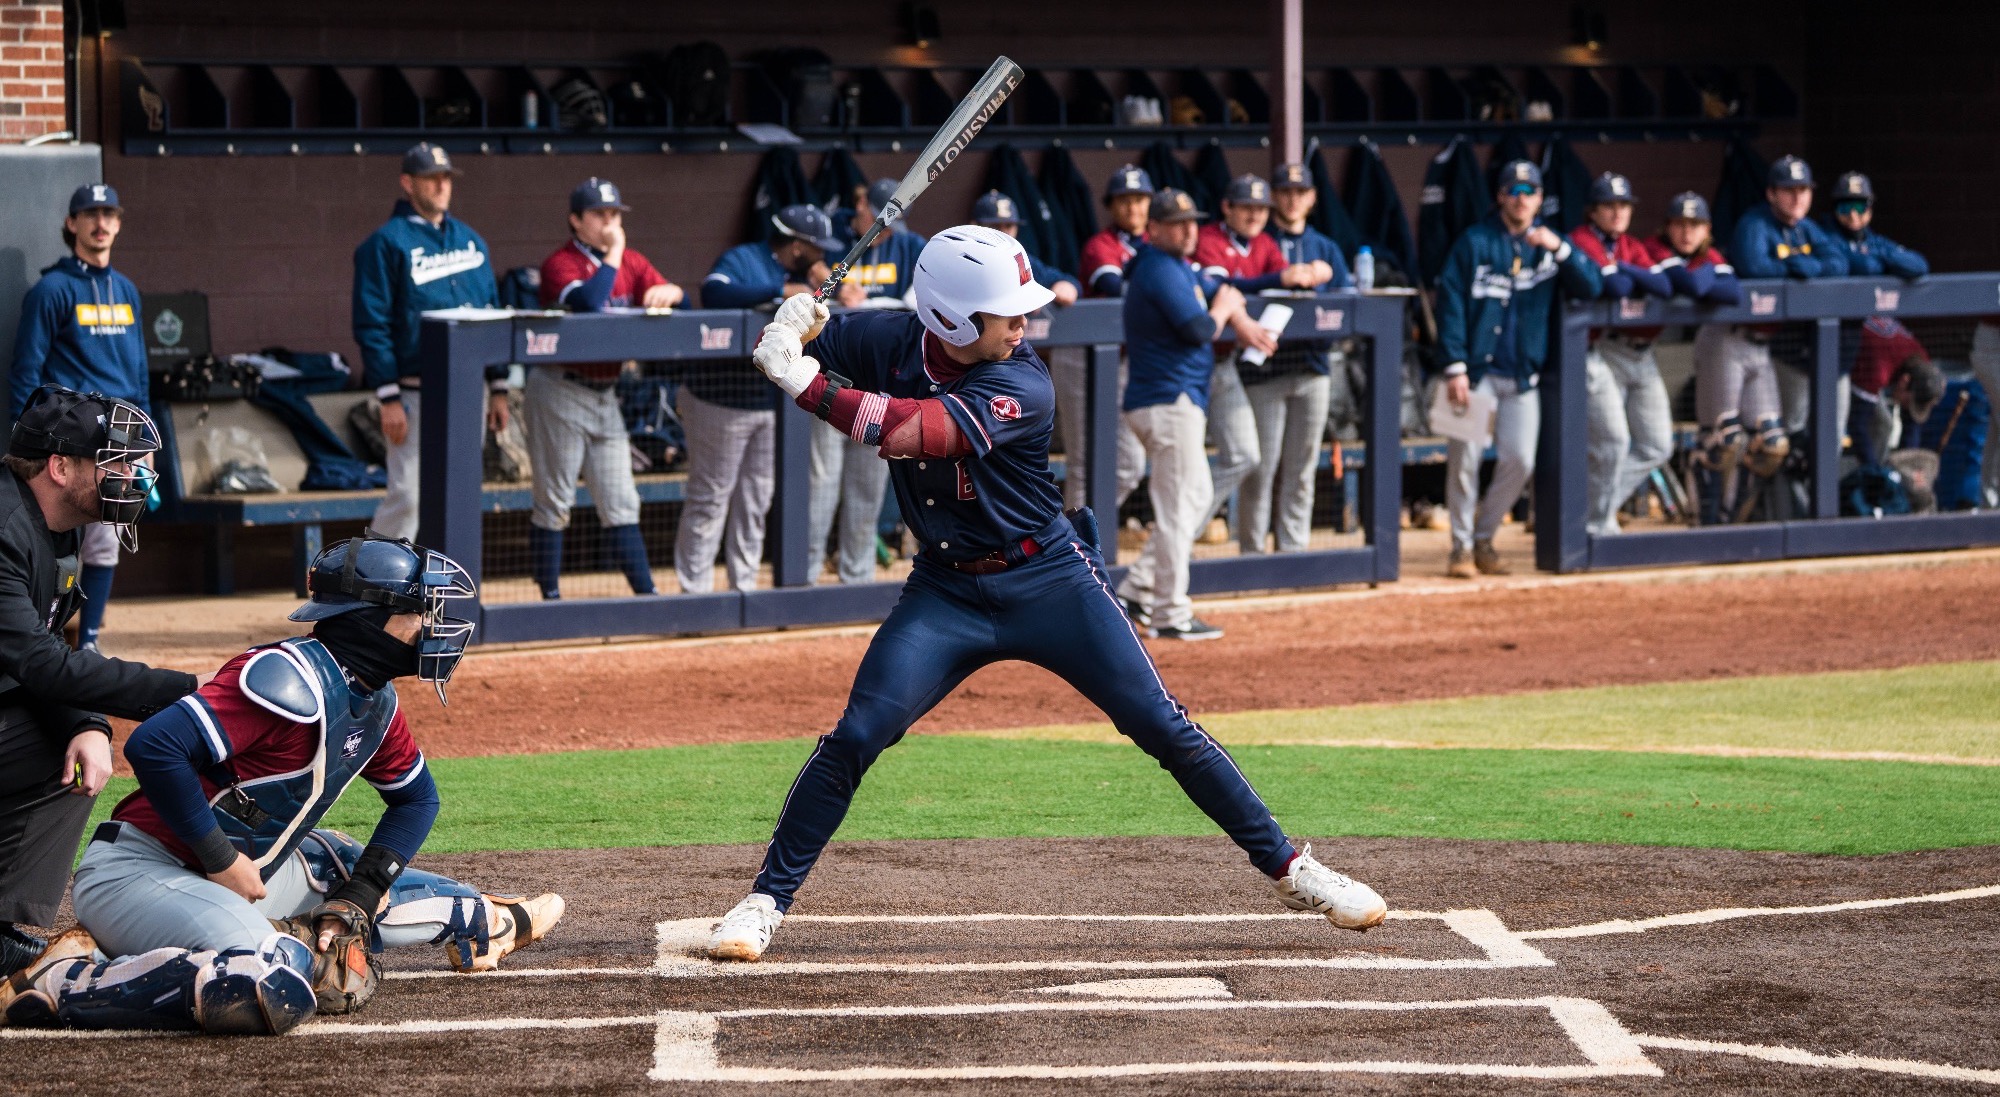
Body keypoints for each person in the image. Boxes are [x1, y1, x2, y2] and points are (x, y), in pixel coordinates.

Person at [702, 224, 1385, 963]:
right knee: (858, 734)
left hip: (1049, 577)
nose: (1024, 323)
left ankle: (1292, 869)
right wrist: (795, 319)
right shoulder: (892, 340)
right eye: (1007, 311)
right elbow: (820, 333)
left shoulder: (1022, 379)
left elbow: (910, 431)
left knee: (1163, 724)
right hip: (946, 589)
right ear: (952, 319)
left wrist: (803, 380)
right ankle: (765, 897)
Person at [0, 535, 565, 1033]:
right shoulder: (283, 679)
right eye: (419, 609)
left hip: (253, 872)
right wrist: (220, 859)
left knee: (342, 876)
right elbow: (155, 746)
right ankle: (68, 979)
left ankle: (488, 921)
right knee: (280, 976)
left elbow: (417, 799)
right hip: (141, 871)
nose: (429, 625)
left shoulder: (377, 702)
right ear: (372, 617)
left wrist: (359, 901)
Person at [0, 386, 198, 981]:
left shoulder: (57, 525)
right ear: (60, 467)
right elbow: (40, 664)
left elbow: (37, 657)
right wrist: (189, 688)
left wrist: (87, 724)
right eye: (116, 462)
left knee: (78, 752)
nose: (134, 476)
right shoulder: (5, 528)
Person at [1116, 189, 1276, 638]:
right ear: (1155, 229)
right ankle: (1170, 612)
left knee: (1195, 498)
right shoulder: (1157, 268)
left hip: (1173, 402)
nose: (1189, 230)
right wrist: (1226, 312)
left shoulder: (1178, 267)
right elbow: (1199, 327)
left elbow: (1226, 288)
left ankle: (1140, 586)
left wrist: (1237, 315)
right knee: (1177, 508)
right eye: (1176, 223)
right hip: (1167, 401)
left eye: (1192, 222)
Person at [1434, 160, 1601, 577]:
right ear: (1500, 197)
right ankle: (1460, 548)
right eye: (1514, 191)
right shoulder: (1474, 242)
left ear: (1540, 199)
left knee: (1520, 460)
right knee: (1465, 458)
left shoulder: (1549, 245)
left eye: (1529, 193)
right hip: (1475, 373)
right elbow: (1450, 303)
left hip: (1522, 376)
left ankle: (1484, 537)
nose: (1522, 199)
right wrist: (1453, 366)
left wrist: (1560, 248)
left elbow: (1592, 286)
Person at [9, 184, 150, 653]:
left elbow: (138, 372)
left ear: (119, 222)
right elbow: (27, 370)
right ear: (72, 224)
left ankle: (87, 642)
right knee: (55, 535)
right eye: (90, 213)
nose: (101, 222)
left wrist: (143, 437)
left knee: (107, 540)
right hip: (67, 441)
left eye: (109, 213)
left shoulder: (127, 289)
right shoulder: (52, 289)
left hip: (119, 439)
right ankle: (45, 639)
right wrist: (22, 442)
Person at [530, 178, 682, 600]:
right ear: (575, 220)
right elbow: (590, 303)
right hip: (560, 388)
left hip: (605, 393)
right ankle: (549, 599)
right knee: (556, 499)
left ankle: (646, 596)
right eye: (599, 214)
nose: (610, 222)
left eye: (614, 214)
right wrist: (614, 252)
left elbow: (679, 299)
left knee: (621, 498)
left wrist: (672, 291)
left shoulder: (631, 261)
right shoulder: (560, 263)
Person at [687, 204, 852, 593]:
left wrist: (826, 285)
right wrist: (782, 290)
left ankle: (743, 587)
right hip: (720, 401)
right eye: (816, 249)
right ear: (797, 246)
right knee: (711, 499)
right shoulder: (745, 258)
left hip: (772, 404)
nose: (823, 255)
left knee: (755, 501)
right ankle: (694, 592)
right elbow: (714, 291)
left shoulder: (808, 275)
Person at [352, 143, 510, 543]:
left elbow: (490, 314)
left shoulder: (472, 242)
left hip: (467, 392)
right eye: (431, 178)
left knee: (459, 494)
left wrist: (499, 387)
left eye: (446, 178)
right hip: (412, 394)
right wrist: (387, 397)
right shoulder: (385, 243)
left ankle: (441, 591)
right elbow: (372, 324)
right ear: (408, 183)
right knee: (407, 495)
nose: (442, 186)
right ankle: (369, 588)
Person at [1703, 155, 1849, 523]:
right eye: (1788, 191)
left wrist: (1806, 266)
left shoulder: (1806, 230)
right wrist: (1801, 266)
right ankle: (1706, 520)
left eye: (1803, 191)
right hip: (1728, 340)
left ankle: (1738, 518)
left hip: (1761, 347)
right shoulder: (1755, 223)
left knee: (1773, 445)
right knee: (1726, 441)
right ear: (1771, 193)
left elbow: (1840, 261)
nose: (1797, 198)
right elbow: (1756, 267)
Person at [1194, 174, 1326, 546]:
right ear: (1227, 208)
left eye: (1260, 208)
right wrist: (1275, 280)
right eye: (1246, 207)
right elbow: (1219, 288)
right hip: (1189, 363)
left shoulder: (1265, 243)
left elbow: (1289, 279)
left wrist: (1315, 272)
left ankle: (1185, 530)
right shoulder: (1210, 240)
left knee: (1246, 456)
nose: (1254, 215)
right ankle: (1178, 536)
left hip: (1223, 366)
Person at [805, 181, 915, 585]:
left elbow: (915, 310)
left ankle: (857, 577)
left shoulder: (910, 247)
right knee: (821, 482)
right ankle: (806, 576)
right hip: (832, 376)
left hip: (880, 384)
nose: (886, 231)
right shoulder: (832, 241)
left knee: (867, 486)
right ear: (862, 203)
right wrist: (824, 277)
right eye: (882, 220)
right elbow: (804, 279)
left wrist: (866, 303)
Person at [1245, 162, 1351, 554]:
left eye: (1299, 192)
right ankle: (1252, 555)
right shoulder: (1261, 243)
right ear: (1275, 197)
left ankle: (1293, 552)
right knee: (1261, 468)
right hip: (1266, 370)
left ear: (1311, 198)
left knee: (1302, 468)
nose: (1292, 199)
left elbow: (1346, 306)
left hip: (1312, 369)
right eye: (1285, 191)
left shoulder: (1326, 247)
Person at [1569, 173, 1676, 536]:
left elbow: (1661, 285)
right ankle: (1598, 525)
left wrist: (1625, 269)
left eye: (1624, 205)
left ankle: (1590, 510)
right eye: (1609, 206)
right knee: (1612, 441)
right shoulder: (1582, 240)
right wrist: (1626, 277)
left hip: (1640, 355)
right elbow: (1612, 286)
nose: (1618, 213)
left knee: (1657, 445)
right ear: (1593, 211)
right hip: (1596, 350)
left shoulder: (1630, 245)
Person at [1053, 165, 1153, 514]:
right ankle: (1072, 550)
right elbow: (1115, 287)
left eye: (1139, 199)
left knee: (1129, 464)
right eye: (1124, 200)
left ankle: (1078, 536)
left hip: (1127, 360)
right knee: (1082, 460)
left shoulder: (1157, 243)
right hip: (1081, 356)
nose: (1133, 208)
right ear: (1111, 205)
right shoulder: (1101, 245)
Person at [1646, 192, 1742, 524]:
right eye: (1680, 225)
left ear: (1707, 229)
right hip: (1614, 349)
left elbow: (1733, 291)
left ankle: (1716, 514)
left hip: (1645, 355)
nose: (1687, 233)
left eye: (1695, 225)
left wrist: (1703, 278)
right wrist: (1708, 274)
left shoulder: (1709, 255)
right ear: (1667, 228)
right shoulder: (1655, 249)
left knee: (1722, 439)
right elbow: (1692, 285)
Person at [1825, 172, 1929, 279]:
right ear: (1835, 210)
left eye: (1860, 207)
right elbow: (1867, 267)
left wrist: (1879, 254)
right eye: (1845, 208)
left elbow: (1920, 266)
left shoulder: (1874, 241)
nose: (1853, 216)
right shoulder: (1824, 238)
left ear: (1870, 210)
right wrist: (1887, 265)